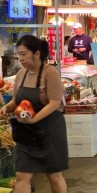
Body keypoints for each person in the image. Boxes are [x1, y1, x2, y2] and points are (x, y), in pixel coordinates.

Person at [0, 35, 68, 192]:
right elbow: (17, 100)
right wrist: (6, 108)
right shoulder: (21, 74)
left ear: (36, 54)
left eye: (24, 54)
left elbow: (54, 102)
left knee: (54, 175)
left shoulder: (50, 73)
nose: (21, 59)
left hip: (49, 131)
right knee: (21, 175)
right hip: (26, 133)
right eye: (19, 55)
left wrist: (34, 119)